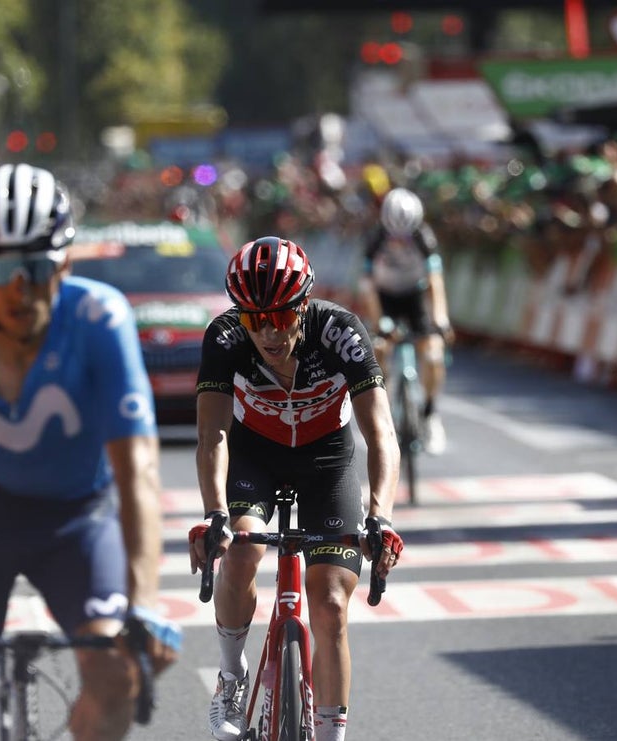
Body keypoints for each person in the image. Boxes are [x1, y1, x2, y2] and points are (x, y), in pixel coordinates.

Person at [0, 163, 180, 741]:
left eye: (39, 267)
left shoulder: (101, 319)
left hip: (77, 514)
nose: (22, 289)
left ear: (67, 262)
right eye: (2, 268)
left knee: (116, 672)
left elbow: (139, 470)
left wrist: (144, 603)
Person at [188, 236, 404, 741]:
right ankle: (231, 676)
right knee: (240, 552)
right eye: (253, 318)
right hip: (255, 455)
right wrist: (213, 512)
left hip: (326, 459)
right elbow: (212, 434)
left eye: (280, 318)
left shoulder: (340, 331)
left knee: (329, 602)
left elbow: (381, 434)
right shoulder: (224, 338)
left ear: (303, 306)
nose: (266, 331)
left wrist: (382, 516)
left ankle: (331, 734)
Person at [357, 186, 453, 455]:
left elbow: (435, 281)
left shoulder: (424, 237)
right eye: (394, 236)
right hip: (384, 297)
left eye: (405, 236)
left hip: (413, 297)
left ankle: (431, 415)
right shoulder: (375, 238)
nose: (399, 241)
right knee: (378, 350)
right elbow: (367, 287)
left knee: (434, 354)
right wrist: (381, 324)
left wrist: (441, 320)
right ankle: (382, 413)